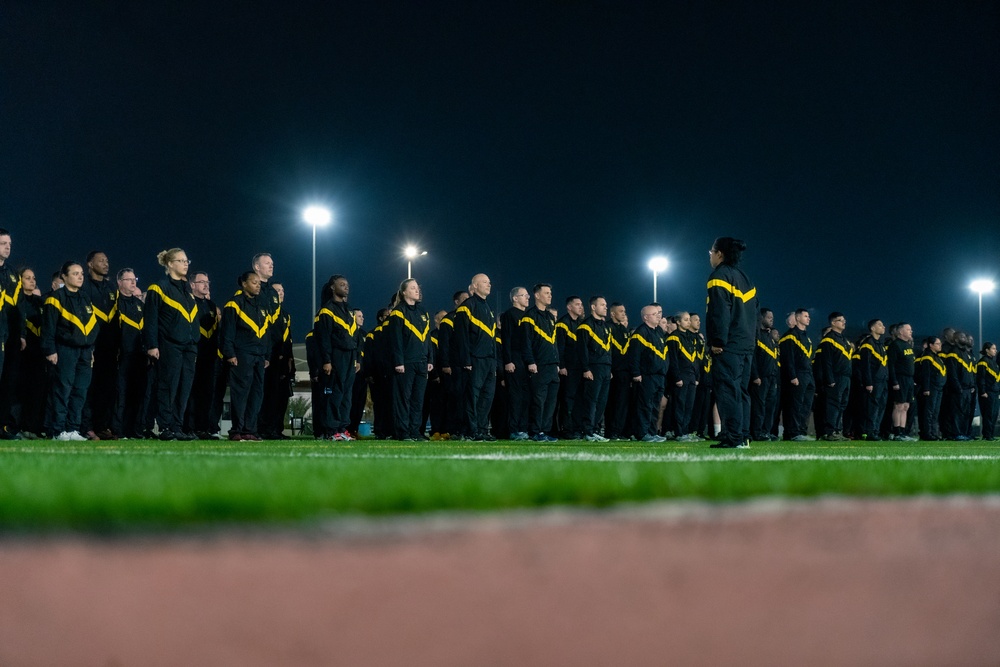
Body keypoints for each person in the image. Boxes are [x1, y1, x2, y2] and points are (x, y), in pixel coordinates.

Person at [705, 237, 757, 449]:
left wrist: (717, 340)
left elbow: (719, 312)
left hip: (728, 344)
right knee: (741, 390)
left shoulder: (719, 277)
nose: (710, 255)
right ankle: (743, 436)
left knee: (727, 390)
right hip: (746, 344)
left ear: (720, 254)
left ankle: (733, 437)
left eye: (711, 251)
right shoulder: (745, 278)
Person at [143, 248, 200, 441]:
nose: (186, 264)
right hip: (169, 346)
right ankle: (165, 426)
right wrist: (152, 345)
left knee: (184, 388)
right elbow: (150, 319)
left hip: (189, 347)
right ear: (170, 264)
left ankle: (177, 426)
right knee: (168, 386)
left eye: (187, 260)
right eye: (181, 260)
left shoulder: (187, 291)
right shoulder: (158, 288)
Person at [41, 261, 99, 441]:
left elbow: (93, 326)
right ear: (64, 277)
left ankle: (73, 428)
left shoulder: (85, 297)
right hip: (65, 350)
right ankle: (58, 430)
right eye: (75, 273)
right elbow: (48, 328)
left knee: (80, 391)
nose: (80, 276)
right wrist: (50, 350)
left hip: (85, 352)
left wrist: (91, 349)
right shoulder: (56, 298)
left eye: (81, 273)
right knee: (62, 390)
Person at [220, 271, 270, 441]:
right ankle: (237, 430)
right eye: (254, 282)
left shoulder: (262, 306)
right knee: (240, 394)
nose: (258, 285)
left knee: (256, 394)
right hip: (242, 355)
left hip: (259, 356)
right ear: (244, 284)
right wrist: (230, 353)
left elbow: (267, 333)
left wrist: (267, 355)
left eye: (259, 283)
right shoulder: (234, 305)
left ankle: (250, 430)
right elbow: (227, 332)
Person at [80, 251, 120, 440]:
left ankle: (102, 425)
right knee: (89, 388)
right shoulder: (84, 287)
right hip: (91, 346)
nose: (105, 263)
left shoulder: (112, 288)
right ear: (90, 264)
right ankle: (86, 427)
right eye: (101, 260)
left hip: (109, 348)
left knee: (107, 387)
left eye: (107, 260)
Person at [314, 275, 358, 441]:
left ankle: (342, 428)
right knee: (335, 393)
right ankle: (332, 430)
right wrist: (327, 360)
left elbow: (354, 337)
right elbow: (323, 338)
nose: (346, 287)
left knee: (346, 394)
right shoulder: (327, 310)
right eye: (341, 284)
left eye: (347, 284)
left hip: (349, 356)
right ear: (332, 287)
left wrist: (356, 359)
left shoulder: (349, 310)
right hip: (335, 356)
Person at [454, 274, 497, 441]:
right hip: (475, 359)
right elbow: (461, 337)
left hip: (489, 360)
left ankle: (481, 429)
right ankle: (471, 430)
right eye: (485, 282)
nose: (489, 285)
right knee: (472, 397)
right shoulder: (467, 307)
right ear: (475, 286)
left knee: (487, 396)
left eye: (489, 282)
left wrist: (494, 361)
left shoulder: (488, 308)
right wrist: (466, 360)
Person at [389, 279, 432, 441]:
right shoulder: (398, 312)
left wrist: (430, 359)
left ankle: (415, 431)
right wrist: (398, 362)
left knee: (418, 400)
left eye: (417, 288)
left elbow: (427, 337)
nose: (417, 290)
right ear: (404, 292)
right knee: (403, 399)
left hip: (421, 362)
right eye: (413, 288)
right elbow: (396, 340)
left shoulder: (423, 312)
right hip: (406, 363)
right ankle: (402, 432)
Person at [110, 268, 149, 439]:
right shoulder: (115, 302)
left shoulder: (140, 305)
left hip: (139, 357)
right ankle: (118, 430)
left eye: (135, 279)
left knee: (137, 394)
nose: (134, 282)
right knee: (121, 395)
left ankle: (134, 429)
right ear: (119, 282)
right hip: (122, 355)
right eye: (129, 279)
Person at [186, 270, 222, 439]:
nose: (206, 285)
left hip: (209, 356)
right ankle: (188, 427)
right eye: (202, 282)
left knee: (206, 393)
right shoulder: (187, 302)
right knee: (190, 392)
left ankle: (203, 428)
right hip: (193, 354)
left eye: (207, 282)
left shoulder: (211, 305)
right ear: (192, 285)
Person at [520, 283, 559, 442]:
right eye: (547, 293)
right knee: (538, 400)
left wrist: (557, 362)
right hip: (539, 365)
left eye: (550, 293)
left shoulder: (550, 317)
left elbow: (554, 342)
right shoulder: (529, 316)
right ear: (537, 295)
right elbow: (526, 342)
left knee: (551, 402)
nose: (550, 295)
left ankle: (545, 430)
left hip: (552, 365)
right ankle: (535, 431)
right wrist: (530, 361)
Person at [628, 304, 668, 443]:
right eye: (654, 314)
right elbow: (634, 355)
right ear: (645, 317)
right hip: (647, 376)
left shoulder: (658, 332)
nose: (658, 316)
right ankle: (642, 433)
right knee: (645, 405)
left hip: (659, 376)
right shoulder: (640, 333)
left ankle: (651, 432)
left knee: (655, 406)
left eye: (658, 313)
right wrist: (636, 373)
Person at [16, 267, 46, 439]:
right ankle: (16, 426)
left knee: (37, 391)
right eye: (27, 278)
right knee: (20, 391)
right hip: (21, 353)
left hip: (38, 353)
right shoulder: (17, 300)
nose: (32, 281)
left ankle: (32, 427)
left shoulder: (39, 302)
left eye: (33, 277)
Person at [577, 296, 612, 442]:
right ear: (593, 307)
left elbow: (609, 350)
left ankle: (596, 429)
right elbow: (582, 350)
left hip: (605, 368)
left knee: (602, 401)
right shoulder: (585, 326)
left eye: (606, 304)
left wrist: (609, 368)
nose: (606, 307)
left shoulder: (606, 326)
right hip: (593, 367)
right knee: (591, 400)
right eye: (602, 305)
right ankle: (588, 430)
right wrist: (586, 368)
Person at [0, 228, 23, 440]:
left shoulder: (13, 275)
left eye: (9, 243)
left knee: (7, 382)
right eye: (3, 243)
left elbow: (18, 308)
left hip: (7, 336)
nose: (8, 247)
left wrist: (21, 334)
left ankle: (3, 426)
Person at [500, 286, 531, 440]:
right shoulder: (509, 315)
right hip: (515, 358)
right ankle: (514, 429)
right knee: (516, 397)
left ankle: (523, 428)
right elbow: (506, 339)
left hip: (526, 360)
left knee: (526, 396)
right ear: (515, 298)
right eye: (524, 295)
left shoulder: (528, 315)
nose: (527, 298)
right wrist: (508, 361)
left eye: (528, 295)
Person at [780, 308, 815, 441]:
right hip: (798, 374)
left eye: (809, 316)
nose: (808, 318)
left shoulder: (806, 337)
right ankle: (792, 432)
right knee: (795, 404)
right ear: (798, 318)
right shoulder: (790, 336)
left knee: (806, 405)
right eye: (806, 316)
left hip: (808, 375)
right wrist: (792, 376)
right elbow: (788, 358)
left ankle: (801, 430)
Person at [818, 312, 853, 441]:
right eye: (840, 320)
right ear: (833, 323)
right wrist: (830, 379)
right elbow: (826, 362)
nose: (844, 322)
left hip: (846, 377)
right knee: (833, 404)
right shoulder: (829, 339)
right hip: (836, 377)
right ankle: (829, 431)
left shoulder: (844, 340)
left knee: (842, 404)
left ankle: (838, 430)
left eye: (844, 320)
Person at [667, 310, 700, 442]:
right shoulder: (674, 337)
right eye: (685, 320)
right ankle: (678, 432)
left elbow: (696, 360)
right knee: (679, 405)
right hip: (681, 376)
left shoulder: (690, 337)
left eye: (688, 319)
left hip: (691, 376)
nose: (688, 322)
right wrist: (677, 377)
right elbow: (673, 360)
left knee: (689, 406)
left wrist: (696, 377)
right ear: (678, 322)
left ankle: (685, 431)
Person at [556, 295, 584, 438]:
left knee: (578, 400)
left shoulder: (581, 324)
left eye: (581, 304)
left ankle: (576, 428)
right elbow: (559, 347)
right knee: (567, 399)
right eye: (577, 304)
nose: (581, 306)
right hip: (568, 369)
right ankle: (566, 429)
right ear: (569, 307)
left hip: (580, 369)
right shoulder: (562, 324)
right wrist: (562, 365)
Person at [749, 308, 779, 441]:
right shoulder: (756, 335)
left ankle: (766, 431)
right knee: (759, 406)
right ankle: (757, 432)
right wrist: (755, 375)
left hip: (772, 378)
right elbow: (753, 357)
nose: (771, 320)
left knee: (770, 407)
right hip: (760, 378)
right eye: (769, 317)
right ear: (761, 318)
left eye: (772, 317)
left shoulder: (770, 337)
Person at [857, 319, 889, 441]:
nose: (883, 327)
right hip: (874, 381)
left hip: (883, 380)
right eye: (880, 325)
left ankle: (876, 430)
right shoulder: (868, 344)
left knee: (881, 406)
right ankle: (869, 431)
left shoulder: (880, 344)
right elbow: (865, 365)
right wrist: (868, 382)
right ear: (872, 328)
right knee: (873, 406)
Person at [604, 302, 632, 441]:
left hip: (625, 373)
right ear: (613, 313)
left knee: (622, 404)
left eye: (624, 311)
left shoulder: (624, 330)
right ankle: (610, 431)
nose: (623, 313)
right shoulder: (607, 327)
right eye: (620, 311)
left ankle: (619, 431)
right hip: (613, 372)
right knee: (612, 403)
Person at [887, 322, 917, 441]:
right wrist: (894, 381)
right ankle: (897, 431)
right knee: (898, 405)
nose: (911, 331)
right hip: (900, 378)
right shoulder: (895, 345)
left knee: (906, 406)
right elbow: (891, 365)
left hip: (909, 379)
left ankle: (903, 432)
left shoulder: (908, 345)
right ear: (901, 331)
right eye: (908, 329)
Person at [915, 336, 946, 440]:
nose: (940, 345)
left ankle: (934, 432)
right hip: (931, 388)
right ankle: (927, 433)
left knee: (935, 412)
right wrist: (926, 388)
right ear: (931, 345)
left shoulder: (936, 356)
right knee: (929, 411)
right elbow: (926, 373)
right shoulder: (927, 356)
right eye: (937, 344)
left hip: (938, 388)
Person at [977, 342, 1000, 441]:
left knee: (994, 414)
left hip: (995, 392)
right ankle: (986, 434)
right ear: (987, 350)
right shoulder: (983, 361)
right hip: (987, 392)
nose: (995, 350)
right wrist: (983, 391)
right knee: (988, 414)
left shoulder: (994, 363)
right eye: (993, 348)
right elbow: (981, 378)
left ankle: (990, 434)